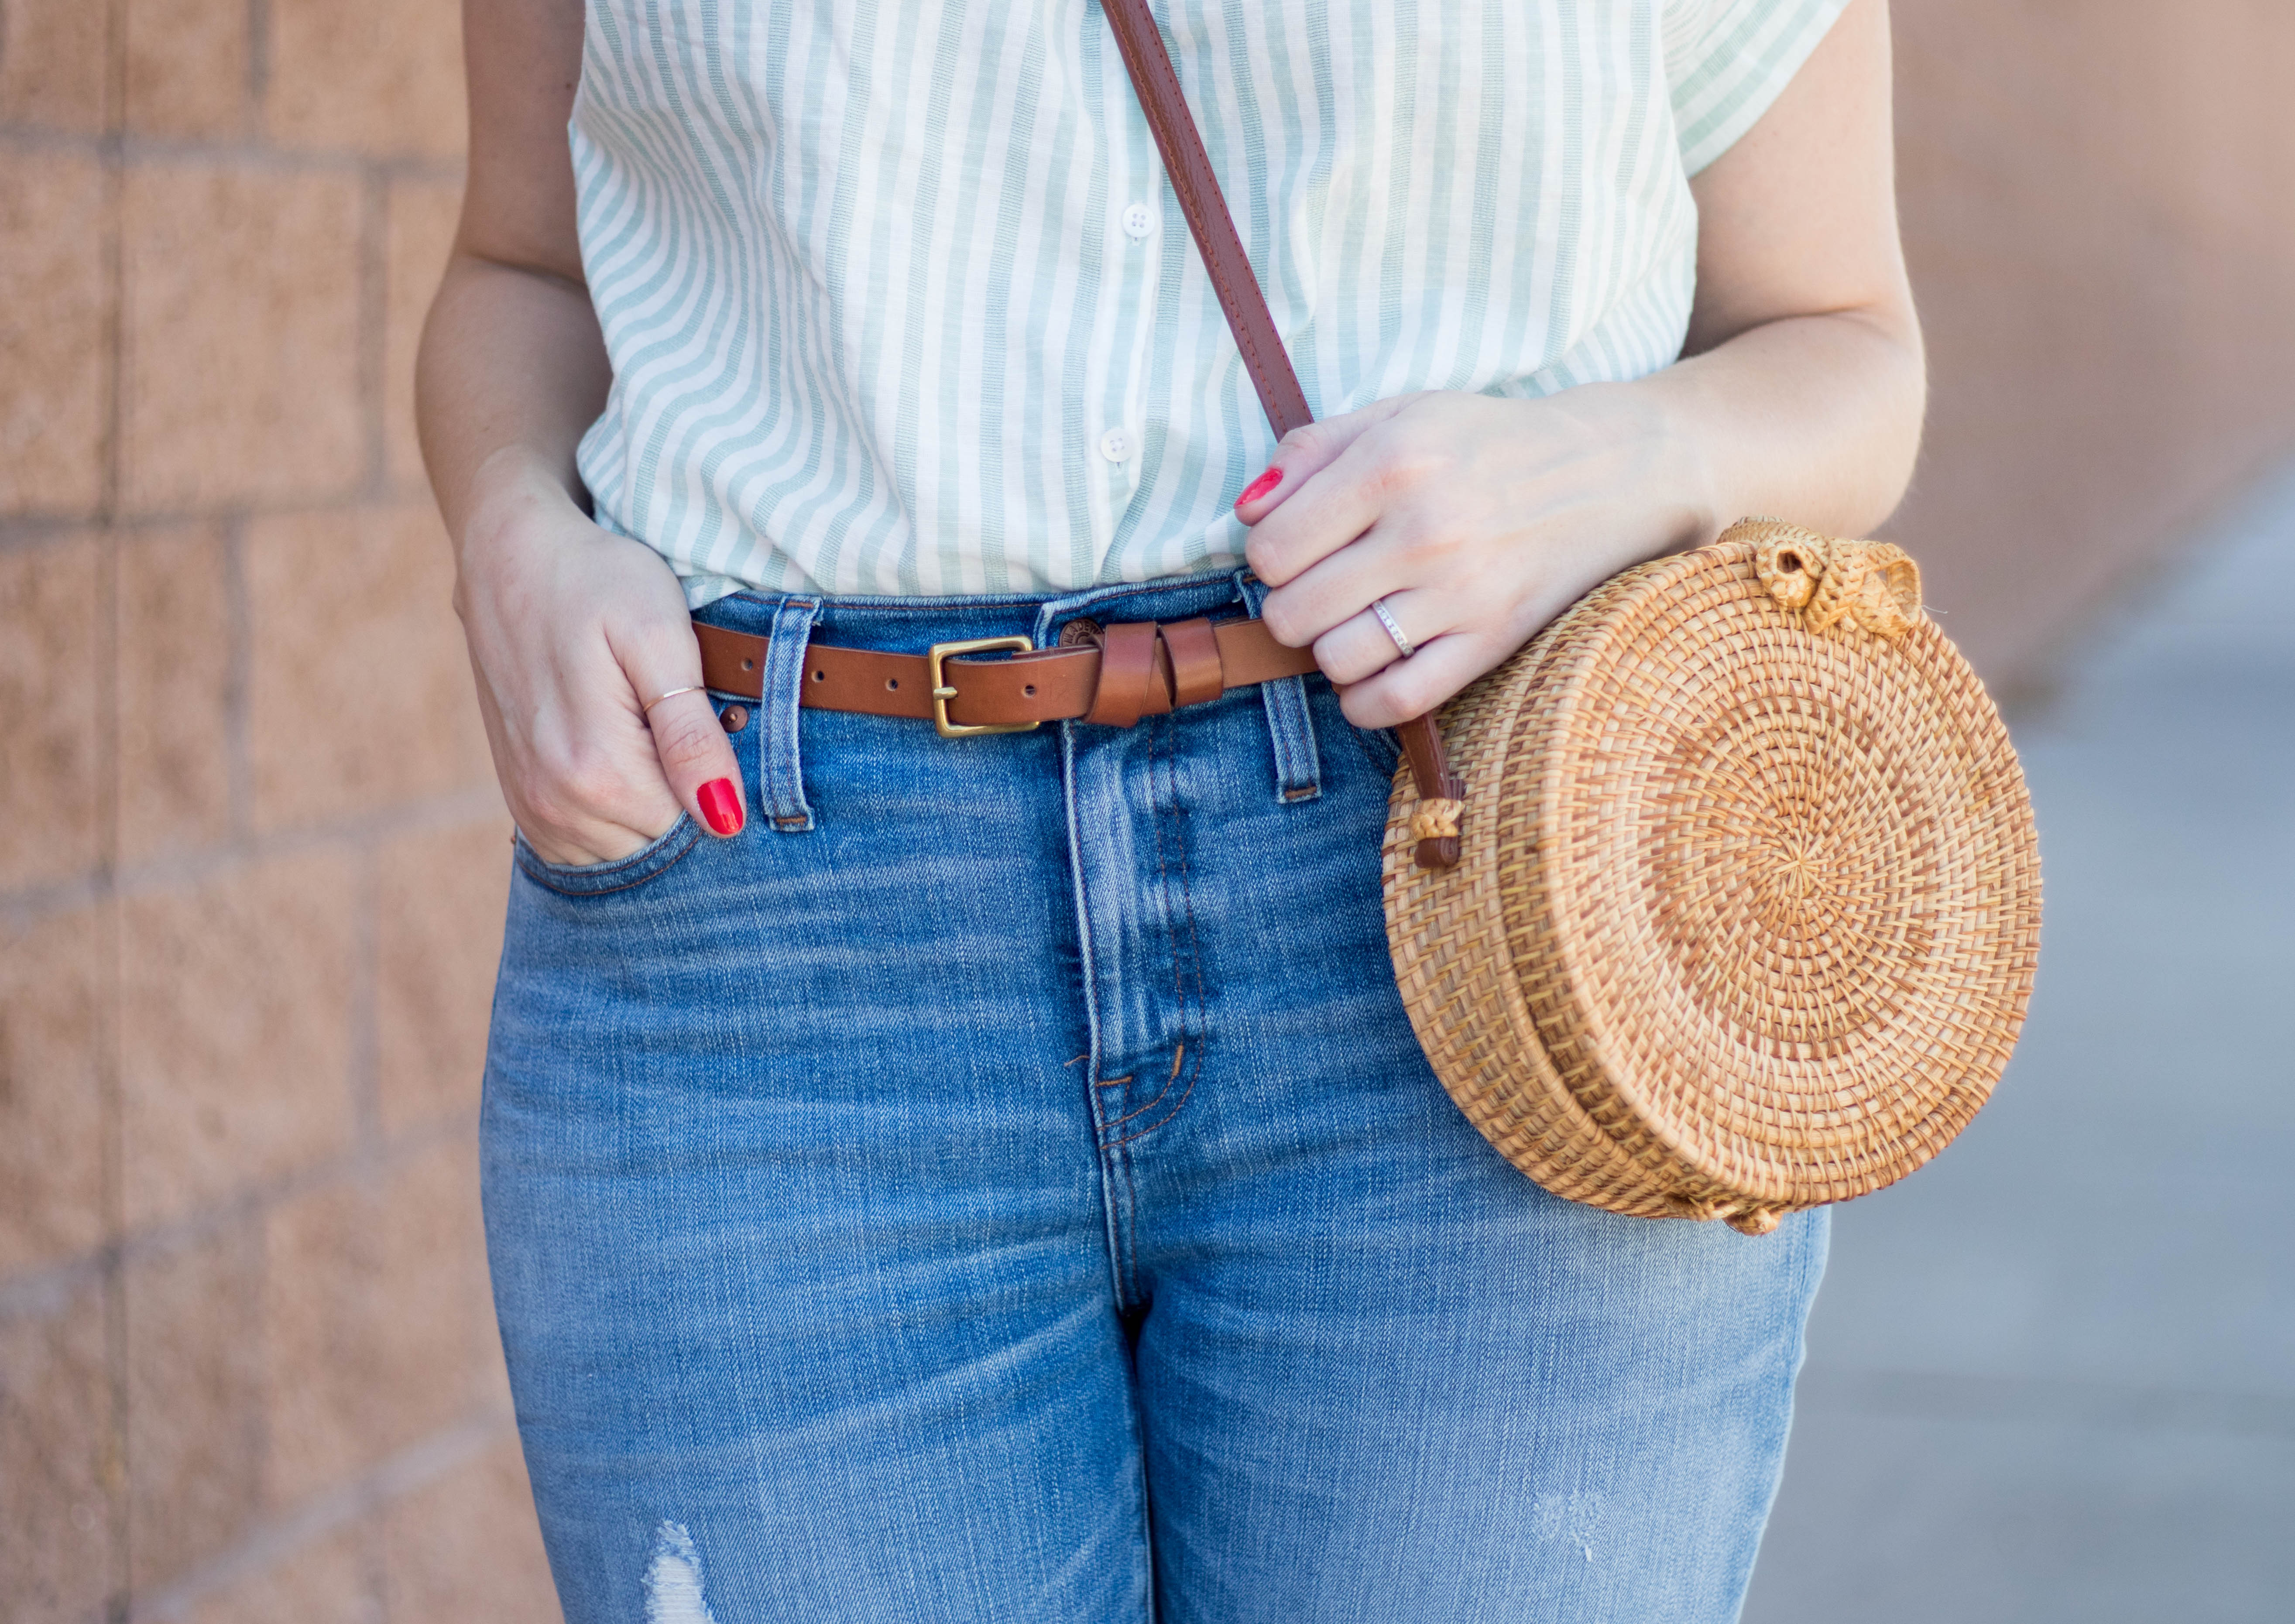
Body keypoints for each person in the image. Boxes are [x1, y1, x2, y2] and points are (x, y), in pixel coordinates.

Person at [418, 0, 1922, 1617]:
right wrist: (512, 528)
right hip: (775, 928)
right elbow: (525, 265)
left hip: (1486, 900)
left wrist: (1606, 458)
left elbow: (1841, 339)